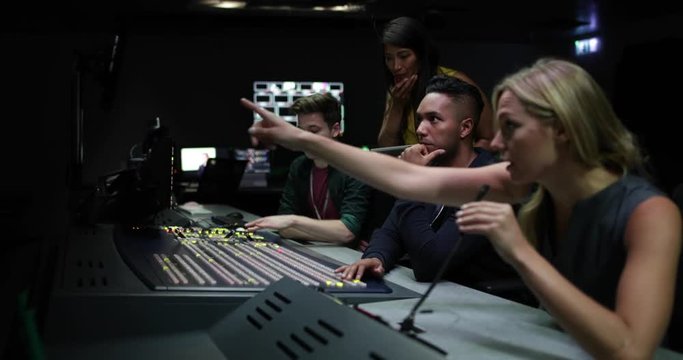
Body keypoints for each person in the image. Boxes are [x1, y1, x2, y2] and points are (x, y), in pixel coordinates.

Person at [242, 58, 682, 358]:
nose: (495, 142)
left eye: (510, 127)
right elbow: (408, 179)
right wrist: (301, 139)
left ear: (562, 129)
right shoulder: (525, 183)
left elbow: (630, 349)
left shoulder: (650, 213)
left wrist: (520, 252)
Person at [337, 75, 531, 303]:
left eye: (434, 119)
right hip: (442, 299)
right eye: (420, 119)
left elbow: (429, 263)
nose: (420, 129)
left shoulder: (486, 181)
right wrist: (377, 257)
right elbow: (390, 230)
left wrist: (409, 185)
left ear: (465, 128)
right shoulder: (431, 168)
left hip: (486, 305)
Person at [244, 93, 370, 246]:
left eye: (314, 130)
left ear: (335, 129)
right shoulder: (299, 166)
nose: (304, 138)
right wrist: (332, 234)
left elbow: (347, 231)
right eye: (301, 131)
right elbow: (284, 228)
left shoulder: (354, 166)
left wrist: (294, 222)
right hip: (324, 249)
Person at [377, 16, 494, 150]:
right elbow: (386, 147)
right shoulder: (397, 90)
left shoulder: (457, 83)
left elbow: (488, 138)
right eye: (389, 58)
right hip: (416, 168)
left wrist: (459, 167)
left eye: (404, 56)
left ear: (421, 55)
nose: (396, 66)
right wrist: (397, 106)